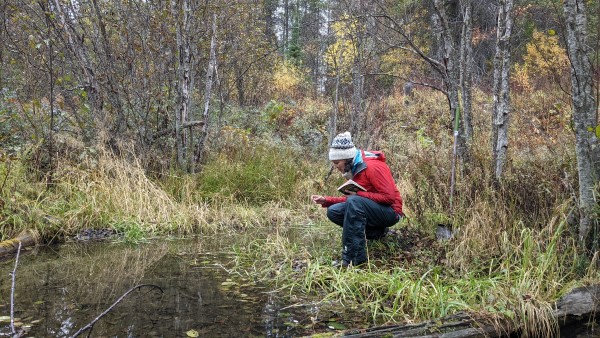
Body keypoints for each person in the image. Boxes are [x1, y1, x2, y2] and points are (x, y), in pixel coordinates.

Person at [311, 131, 403, 267]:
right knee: (334, 211)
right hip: (374, 210)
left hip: (391, 213)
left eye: (337, 162)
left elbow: (389, 198)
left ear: (347, 158)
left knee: (354, 202)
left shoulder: (373, 167)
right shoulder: (355, 167)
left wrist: (358, 195)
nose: (335, 167)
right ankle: (377, 232)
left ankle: (354, 260)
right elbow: (354, 200)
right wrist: (327, 200)